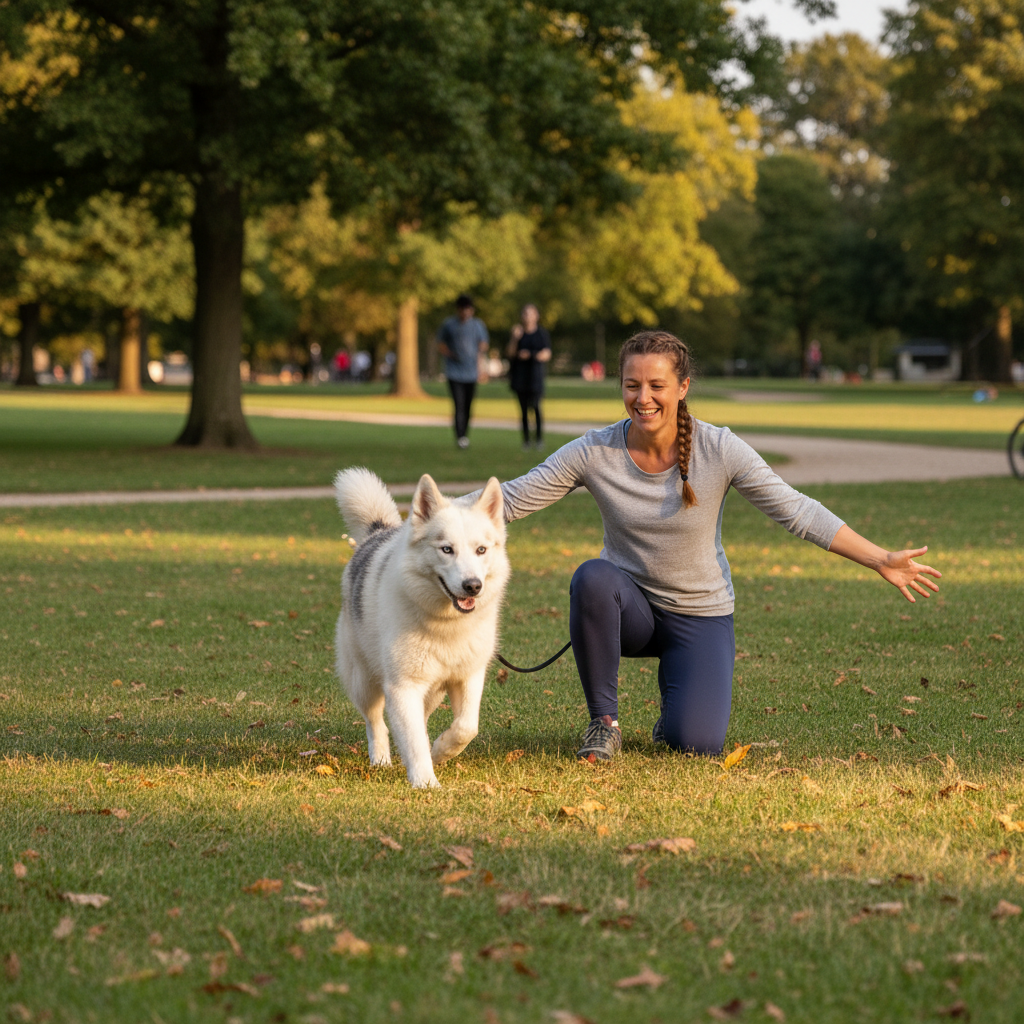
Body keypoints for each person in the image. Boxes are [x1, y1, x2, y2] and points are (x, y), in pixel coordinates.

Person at [494, 330, 941, 762]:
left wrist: (880, 558)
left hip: (699, 613)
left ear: (683, 387)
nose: (643, 398)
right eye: (632, 385)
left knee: (696, 743)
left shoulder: (720, 448)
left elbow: (797, 511)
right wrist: (432, 520)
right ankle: (604, 723)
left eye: (657, 385)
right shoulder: (594, 451)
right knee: (591, 577)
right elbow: (510, 500)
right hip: (630, 610)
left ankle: (676, 707)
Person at [437, 294, 489, 449]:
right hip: (454, 373)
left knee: (468, 406)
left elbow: (483, 344)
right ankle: (460, 436)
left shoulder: (477, 325)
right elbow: (440, 343)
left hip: (471, 373)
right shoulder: (449, 325)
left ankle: (465, 434)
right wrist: (451, 354)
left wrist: (481, 366)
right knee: (458, 404)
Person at [507, 303, 552, 450]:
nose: (528, 316)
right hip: (520, 377)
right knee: (524, 410)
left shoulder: (541, 334)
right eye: (525, 313)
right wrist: (514, 338)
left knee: (537, 408)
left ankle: (539, 439)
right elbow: (510, 353)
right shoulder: (518, 333)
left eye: (531, 313)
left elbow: (547, 353)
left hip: (535, 377)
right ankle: (526, 440)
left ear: (536, 316)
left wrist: (536, 355)